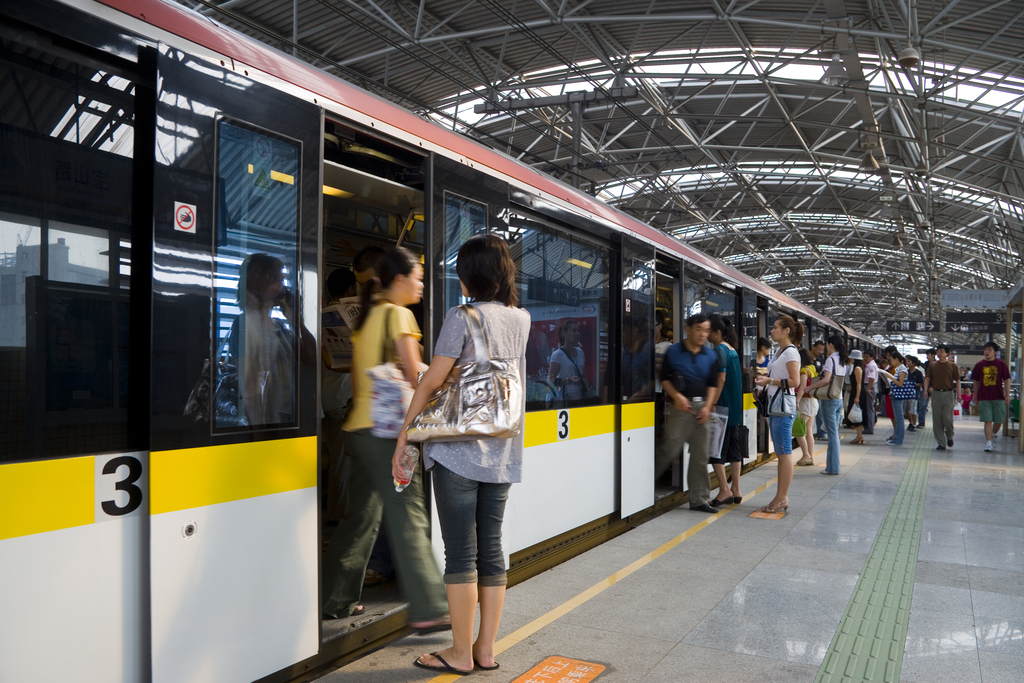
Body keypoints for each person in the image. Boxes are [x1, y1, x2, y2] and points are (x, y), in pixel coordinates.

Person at [392, 235, 530, 676]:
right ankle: (484, 650)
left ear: (472, 274)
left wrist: (406, 435)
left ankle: (458, 653)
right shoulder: (521, 318)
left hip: (456, 451)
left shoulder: (462, 315)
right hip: (504, 449)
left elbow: (431, 381)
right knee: (492, 550)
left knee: (460, 554)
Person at [321, 247, 450, 631]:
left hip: (358, 430)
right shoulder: (398, 314)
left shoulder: (369, 319)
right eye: (418, 277)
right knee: (408, 512)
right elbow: (416, 377)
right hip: (388, 436)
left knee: (361, 516)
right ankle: (429, 607)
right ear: (399, 280)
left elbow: (360, 383)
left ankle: (335, 598)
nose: (421, 284)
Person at [655, 313, 724, 513]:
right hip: (679, 409)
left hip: (702, 409)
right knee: (669, 450)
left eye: (706, 330)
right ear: (688, 329)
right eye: (699, 330)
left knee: (700, 456)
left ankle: (699, 499)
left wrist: (708, 405)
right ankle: (643, 487)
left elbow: (713, 384)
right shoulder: (673, 351)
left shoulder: (711, 355)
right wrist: (677, 396)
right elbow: (665, 379)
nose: (703, 335)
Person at [753, 315, 803, 512]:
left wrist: (769, 382)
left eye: (775, 327)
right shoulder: (779, 352)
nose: (771, 331)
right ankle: (780, 497)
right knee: (782, 453)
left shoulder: (790, 353)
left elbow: (794, 382)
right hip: (776, 407)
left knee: (784, 454)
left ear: (786, 331)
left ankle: (781, 498)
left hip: (783, 409)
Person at [708, 314, 744, 505]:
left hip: (722, 409)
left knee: (715, 451)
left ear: (717, 332)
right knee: (733, 451)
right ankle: (736, 489)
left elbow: (720, 379)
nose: (706, 336)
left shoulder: (719, 350)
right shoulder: (733, 350)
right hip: (734, 410)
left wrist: (712, 402)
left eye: (708, 331)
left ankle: (724, 490)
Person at [806, 336, 848, 474]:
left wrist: (810, 387)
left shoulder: (831, 359)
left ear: (830, 345)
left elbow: (826, 380)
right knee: (834, 433)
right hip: (838, 398)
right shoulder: (842, 360)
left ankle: (833, 468)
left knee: (832, 435)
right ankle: (832, 467)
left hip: (829, 400)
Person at [972, 341, 1011, 452]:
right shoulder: (979, 365)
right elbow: (975, 382)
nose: (987, 352)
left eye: (989, 350)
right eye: (985, 350)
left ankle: (993, 434)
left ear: (995, 352)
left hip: (998, 396)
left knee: (999, 420)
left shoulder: (1001, 364)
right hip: (984, 397)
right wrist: (976, 396)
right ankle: (988, 443)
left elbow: (1007, 380)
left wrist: (1007, 394)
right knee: (987, 420)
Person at [924, 344, 961, 450]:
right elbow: (927, 378)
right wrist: (926, 390)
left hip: (948, 394)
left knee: (947, 418)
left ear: (947, 353)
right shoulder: (932, 365)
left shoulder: (953, 366)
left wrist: (959, 394)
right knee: (937, 419)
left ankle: (949, 435)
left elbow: (957, 381)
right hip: (935, 393)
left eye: (941, 351)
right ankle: (941, 442)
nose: (939, 353)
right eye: (938, 351)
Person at [549, 319, 587, 404]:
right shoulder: (557, 355)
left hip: (581, 399)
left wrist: (587, 393)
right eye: (573, 331)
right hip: (565, 400)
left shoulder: (580, 352)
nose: (577, 334)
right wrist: (568, 380)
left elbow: (584, 376)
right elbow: (551, 379)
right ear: (564, 333)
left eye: (578, 331)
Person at [794, 348, 819, 466]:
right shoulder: (812, 369)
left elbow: (802, 386)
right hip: (813, 402)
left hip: (805, 402)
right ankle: (810, 456)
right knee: (808, 431)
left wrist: (797, 401)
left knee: (798, 431)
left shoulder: (804, 370)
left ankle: (805, 455)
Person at [884, 349, 910, 446]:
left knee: (899, 418)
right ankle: (896, 439)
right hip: (895, 395)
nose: (891, 362)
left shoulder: (902, 369)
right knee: (898, 417)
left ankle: (898, 440)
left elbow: (900, 383)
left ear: (896, 359)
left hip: (898, 396)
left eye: (891, 360)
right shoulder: (898, 368)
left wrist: (890, 377)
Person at [654, 310, 672, 438]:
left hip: (658, 392)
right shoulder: (643, 344)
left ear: (660, 325)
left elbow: (668, 373)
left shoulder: (667, 347)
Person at [845, 350, 865, 444]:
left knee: (856, 414)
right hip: (855, 391)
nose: (850, 359)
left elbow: (859, 383)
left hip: (857, 393)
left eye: (851, 357)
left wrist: (857, 397)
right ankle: (859, 435)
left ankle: (859, 436)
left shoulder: (857, 368)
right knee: (855, 413)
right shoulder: (856, 367)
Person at [810, 340, 827, 439]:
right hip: (807, 387)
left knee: (819, 411)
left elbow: (821, 373)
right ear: (813, 347)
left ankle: (820, 432)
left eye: (822, 350)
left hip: (817, 388)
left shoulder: (820, 359)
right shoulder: (806, 357)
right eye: (819, 349)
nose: (820, 352)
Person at [862, 349, 879, 434]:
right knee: (869, 408)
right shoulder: (869, 365)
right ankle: (868, 426)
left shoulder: (871, 366)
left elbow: (871, 379)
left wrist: (868, 389)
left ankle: (869, 428)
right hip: (869, 386)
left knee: (869, 409)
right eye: (864, 356)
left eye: (867, 357)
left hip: (869, 386)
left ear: (872, 357)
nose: (865, 358)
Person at [906, 356, 925, 432]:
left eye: (909, 361)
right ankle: (910, 422)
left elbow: (921, 383)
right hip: (906, 392)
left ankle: (914, 424)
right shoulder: (906, 372)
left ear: (914, 363)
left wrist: (913, 384)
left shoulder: (918, 373)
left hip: (914, 392)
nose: (907, 363)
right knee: (907, 409)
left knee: (913, 409)